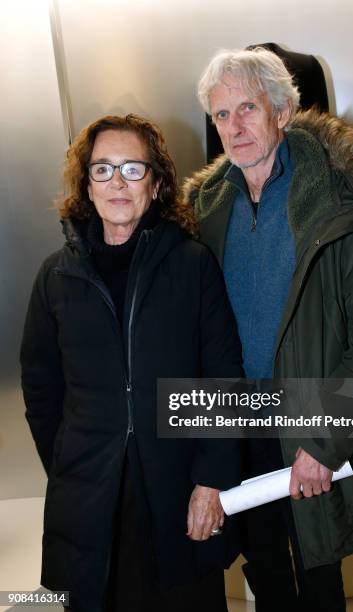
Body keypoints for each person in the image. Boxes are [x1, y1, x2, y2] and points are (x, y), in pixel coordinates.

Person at [184, 47, 353, 611]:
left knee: (317, 570)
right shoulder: (205, 207)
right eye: (221, 115)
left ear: (282, 110)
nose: (234, 128)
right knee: (264, 568)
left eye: (247, 109)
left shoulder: (339, 199)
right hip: (240, 423)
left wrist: (325, 442)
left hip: (311, 420)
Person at [20, 114, 244, 612]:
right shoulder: (55, 277)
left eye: (132, 169)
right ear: (87, 185)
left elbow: (224, 379)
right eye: (102, 169)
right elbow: (41, 390)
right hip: (90, 497)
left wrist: (210, 481)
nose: (117, 182)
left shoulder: (192, 264)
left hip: (177, 488)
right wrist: (67, 466)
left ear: (157, 182)